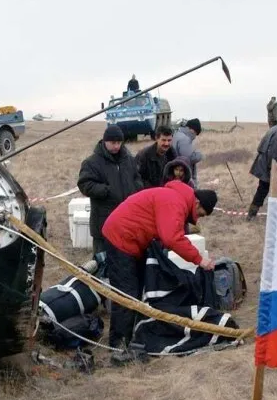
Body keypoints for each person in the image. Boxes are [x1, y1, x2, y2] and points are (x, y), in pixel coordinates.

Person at [100, 181, 217, 348]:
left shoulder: (176, 198)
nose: (197, 219)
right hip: (120, 238)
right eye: (201, 214)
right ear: (197, 203)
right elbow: (172, 237)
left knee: (137, 290)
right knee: (126, 294)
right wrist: (200, 260)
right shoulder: (175, 201)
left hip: (132, 241)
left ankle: (131, 335)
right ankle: (118, 346)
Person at [77, 124, 142, 255]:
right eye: (113, 143)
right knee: (102, 261)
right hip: (103, 219)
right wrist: (106, 190)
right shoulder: (91, 162)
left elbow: (137, 178)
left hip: (127, 220)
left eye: (119, 142)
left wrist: (135, 189)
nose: (116, 146)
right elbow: (85, 184)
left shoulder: (129, 160)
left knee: (124, 260)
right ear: (105, 141)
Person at [172, 118, 203, 186]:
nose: (195, 136)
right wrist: (199, 155)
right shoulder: (185, 139)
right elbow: (188, 158)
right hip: (182, 174)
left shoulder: (177, 134)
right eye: (195, 133)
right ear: (191, 129)